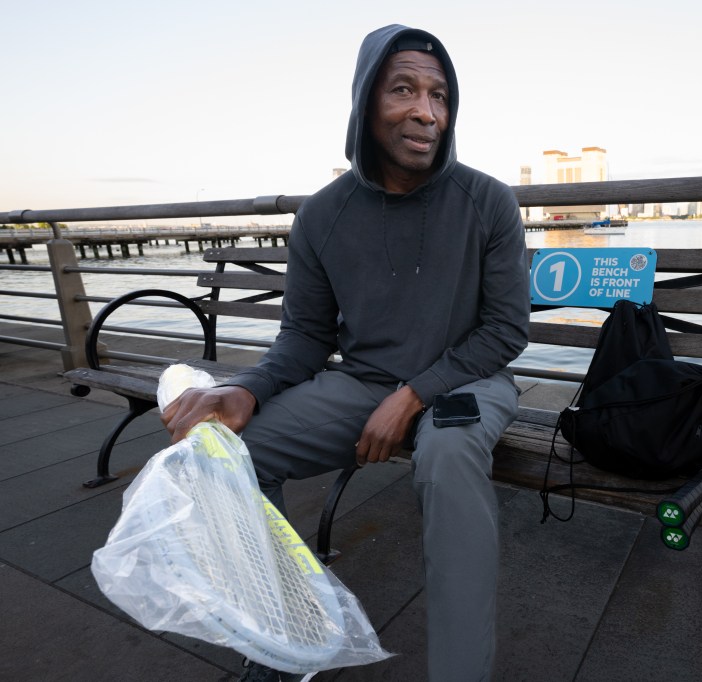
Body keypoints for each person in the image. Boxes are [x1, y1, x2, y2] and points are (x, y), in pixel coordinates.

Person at [161, 23, 530, 682]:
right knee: (229, 455)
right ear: (366, 102)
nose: (427, 111)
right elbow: (305, 336)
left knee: (446, 456)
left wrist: (413, 396)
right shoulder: (323, 216)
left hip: (467, 385)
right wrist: (247, 388)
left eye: (440, 96)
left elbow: (505, 330)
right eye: (405, 90)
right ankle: (282, 642)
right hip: (361, 383)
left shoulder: (487, 202)